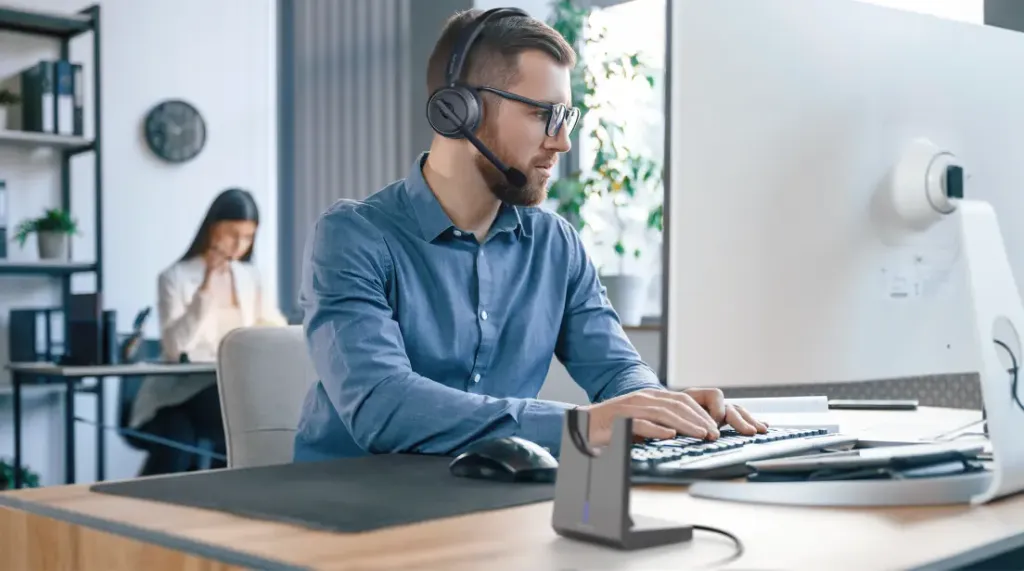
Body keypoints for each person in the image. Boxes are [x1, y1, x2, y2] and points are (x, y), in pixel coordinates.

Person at [293, 8, 768, 463]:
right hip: (351, 512)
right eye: (546, 115)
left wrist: (659, 406)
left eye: (567, 118)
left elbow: (616, 368)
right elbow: (382, 405)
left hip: (491, 500)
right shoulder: (353, 237)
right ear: (461, 112)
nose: (562, 141)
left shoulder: (556, 245)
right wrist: (583, 425)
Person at [130, 187, 287, 476]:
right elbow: (175, 347)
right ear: (212, 228)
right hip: (179, 390)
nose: (239, 244)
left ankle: (232, 496)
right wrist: (206, 288)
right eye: (232, 234)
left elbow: (272, 324)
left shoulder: (251, 277)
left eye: (248, 236)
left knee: (243, 416)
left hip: (225, 385)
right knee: (216, 427)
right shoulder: (174, 277)